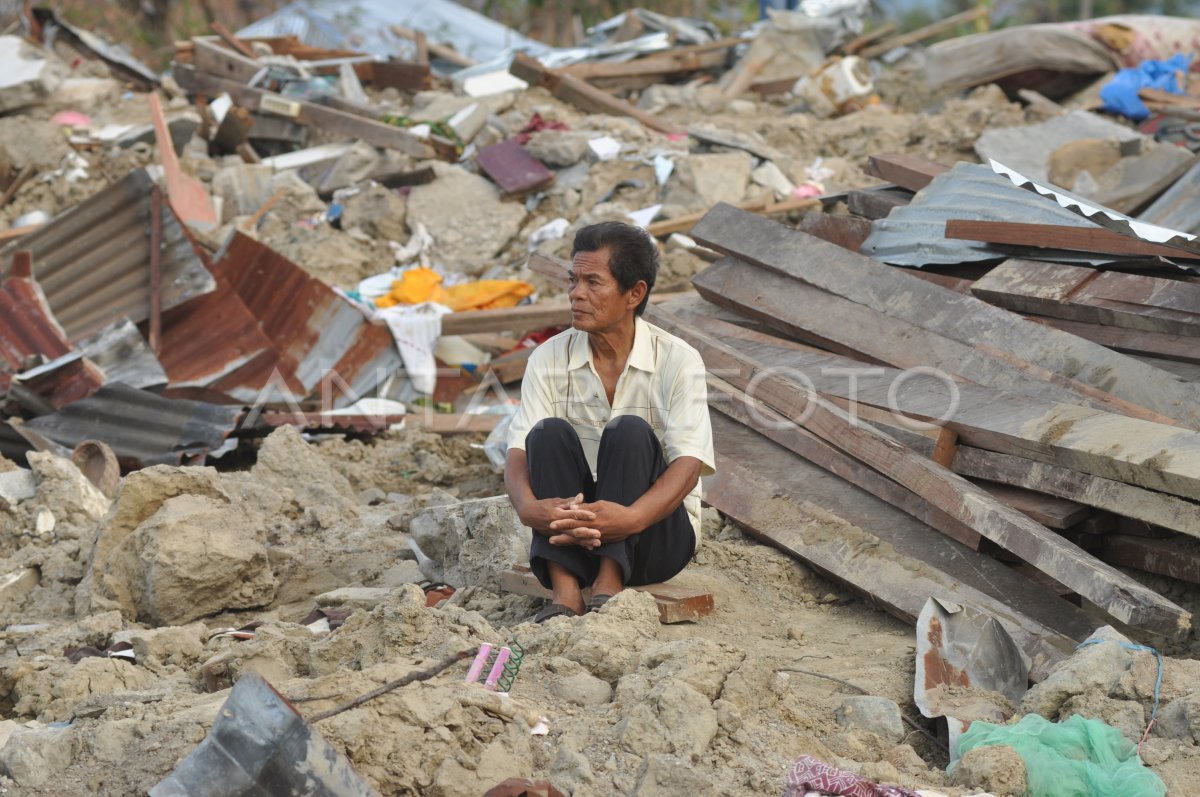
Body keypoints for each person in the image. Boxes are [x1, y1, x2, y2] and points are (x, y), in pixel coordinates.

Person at [504, 221, 715, 622]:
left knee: (630, 430)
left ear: (635, 293)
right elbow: (518, 449)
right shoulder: (548, 358)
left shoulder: (678, 359)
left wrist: (631, 519)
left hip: (654, 541)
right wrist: (527, 507)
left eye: (593, 282)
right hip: (572, 538)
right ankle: (565, 593)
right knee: (546, 433)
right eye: (573, 280)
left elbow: (689, 464)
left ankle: (610, 581)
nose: (576, 294)